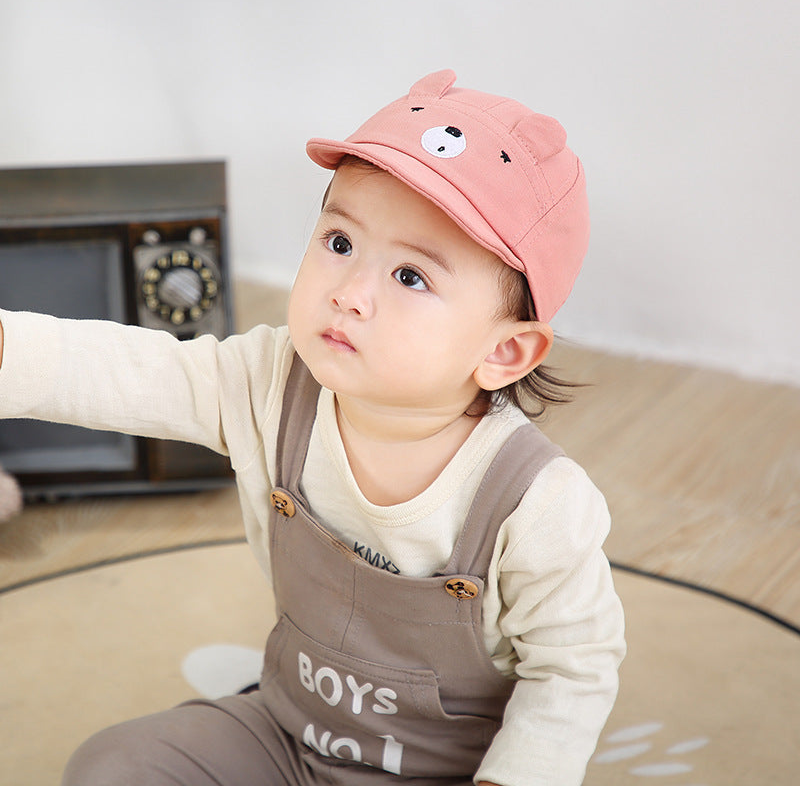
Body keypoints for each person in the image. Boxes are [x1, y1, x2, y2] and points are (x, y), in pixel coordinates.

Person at [0, 69, 625, 786]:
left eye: (411, 277)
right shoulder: (271, 383)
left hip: (450, 772)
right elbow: (137, 372)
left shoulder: (537, 502)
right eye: (340, 241)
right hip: (288, 732)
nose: (349, 292)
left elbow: (572, 671)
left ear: (503, 353)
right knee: (111, 767)